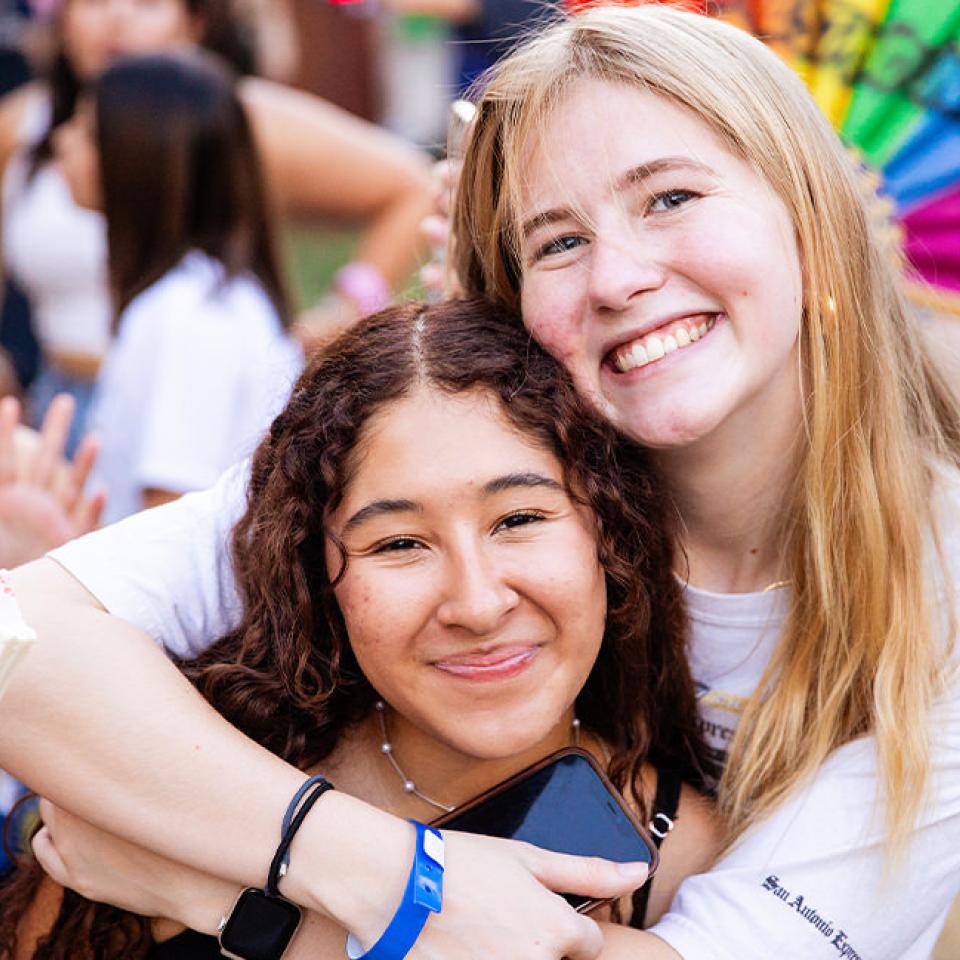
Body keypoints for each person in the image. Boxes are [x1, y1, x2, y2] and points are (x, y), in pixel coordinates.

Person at [2, 5, 960, 958]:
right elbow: (20, 642)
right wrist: (374, 869)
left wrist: (219, 892)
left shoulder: (942, 589)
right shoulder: (458, 461)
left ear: (810, 219)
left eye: (670, 198)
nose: (618, 277)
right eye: (556, 241)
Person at [0, 298, 718, 957]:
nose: (475, 603)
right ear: (319, 576)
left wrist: (236, 905)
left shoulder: (674, 848)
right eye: (399, 544)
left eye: (519, 520)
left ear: (610, 531)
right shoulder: (189, 758)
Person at [0, 0, 431, 453]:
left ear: (196, 22)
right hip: (57, 400)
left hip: (196, 401)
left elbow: (412, 186)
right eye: (94, 1)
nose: (116, 17)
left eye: (147, 4)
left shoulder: (234, 119)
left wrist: (343, 309)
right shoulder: (25, 125)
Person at [52, 50, 302, 522]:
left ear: (142, 154)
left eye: (87, 131)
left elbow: (168, 520)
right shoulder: (196, 297)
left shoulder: (191, 318)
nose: (61, 141)